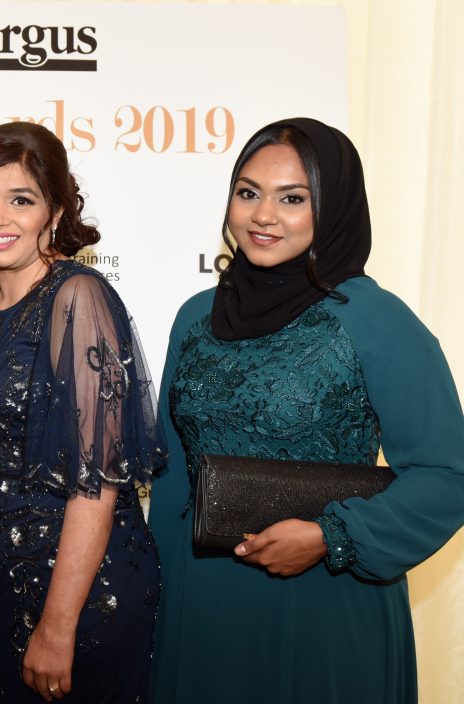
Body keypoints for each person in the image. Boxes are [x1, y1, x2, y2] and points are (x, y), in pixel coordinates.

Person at [150, 117, 464, 703]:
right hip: (204, 602)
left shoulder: (376, 320)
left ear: (333, 208)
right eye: (248, 193)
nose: (263, 215)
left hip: (325, 599)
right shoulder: (195, 316)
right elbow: (170, 475)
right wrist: (155, 599)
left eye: (293, 198)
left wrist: (330, 536)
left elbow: (448, 475)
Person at [0, 121, 165, 703]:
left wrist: (58, 625)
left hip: (79, 592)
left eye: (21, 200)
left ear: (57, 212)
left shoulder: (78, 296)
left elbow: (98, 483)